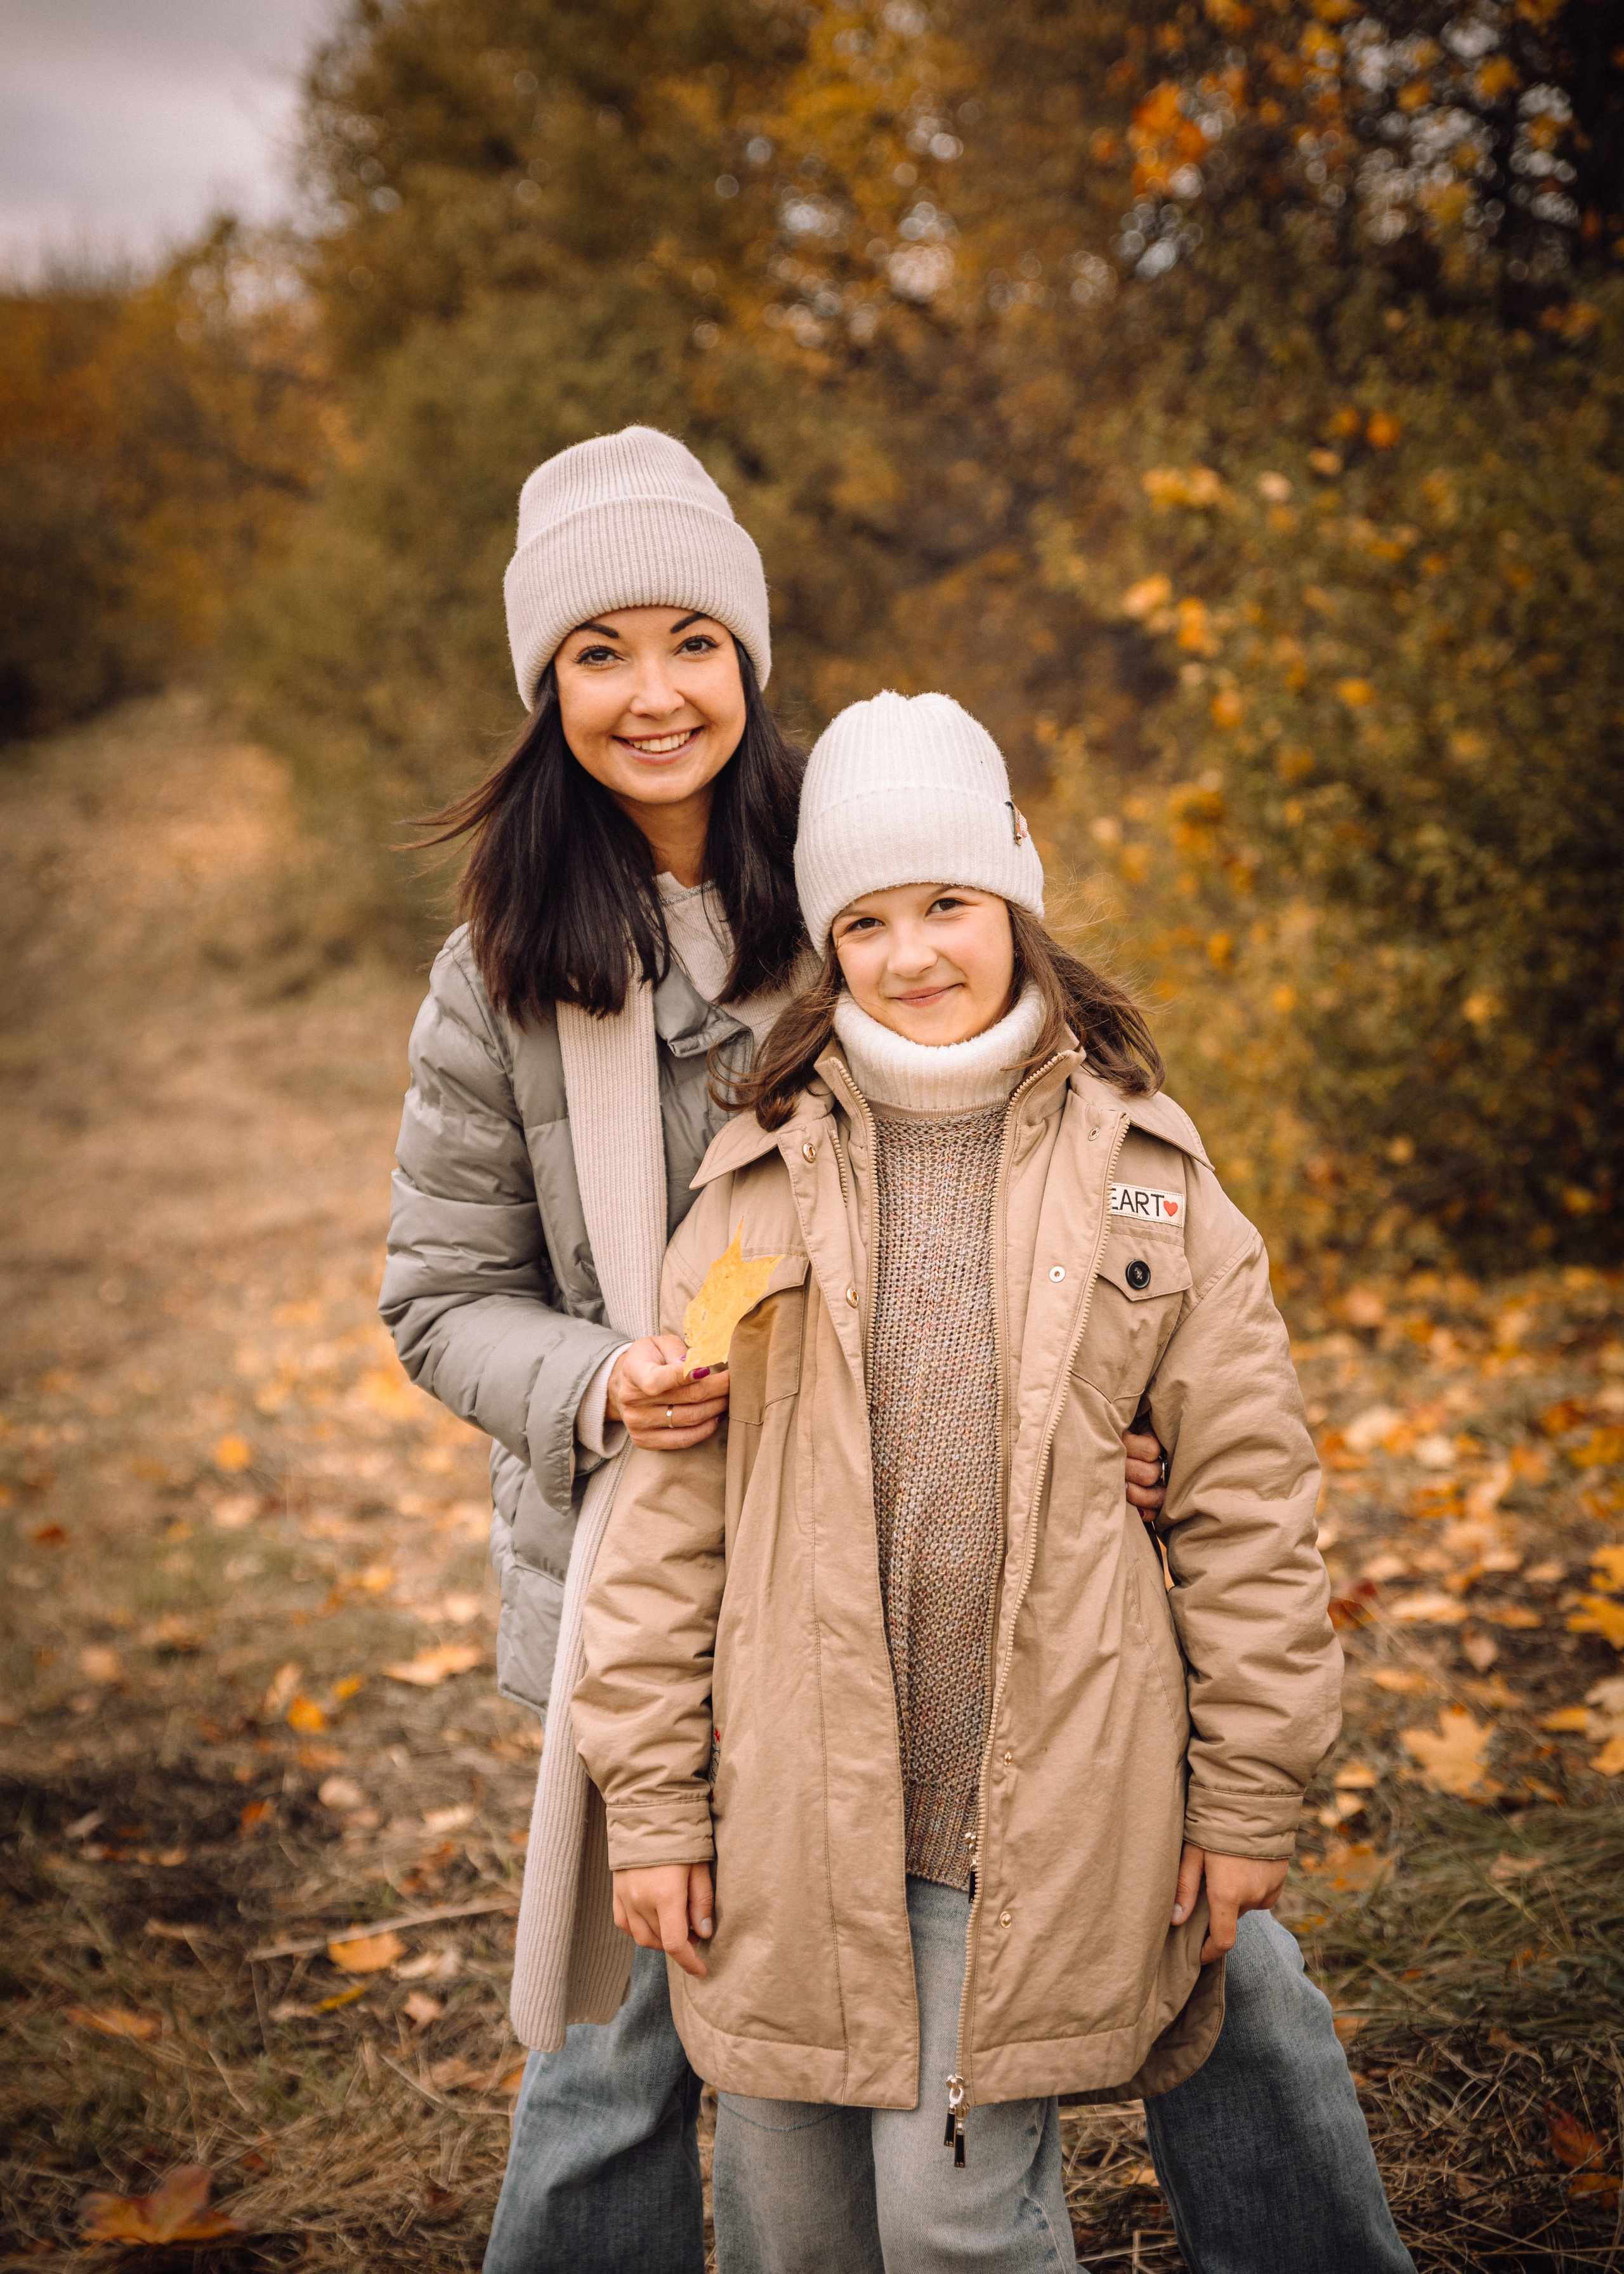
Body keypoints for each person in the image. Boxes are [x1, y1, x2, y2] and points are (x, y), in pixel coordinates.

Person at [380, 430, 1169, 2274]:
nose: (654, 694)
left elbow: (1059, 1135)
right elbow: (439, 1298)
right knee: (622, 2042)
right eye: (598, 652)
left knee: (1226, 1967)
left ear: (749, 655)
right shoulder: (498, 961)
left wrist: (1091, 1413)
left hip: (952, 1554)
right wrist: (601, 1381)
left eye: (692, 641)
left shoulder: (863, 859)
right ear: (542, 683)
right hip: (649, 1572)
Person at [575, 691, 1417, 2273]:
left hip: (1012, 1823)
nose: (913, 954)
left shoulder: (1146, 1178)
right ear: (827, 946)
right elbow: (664, 1531)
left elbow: (1244, 1504)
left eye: (949, 903)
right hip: (786, 1822)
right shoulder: (753, 1186)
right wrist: (656, 1804)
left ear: (1017, 896)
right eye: (868, 921)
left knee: (954, 2219)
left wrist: (1245, 1790)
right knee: (791, 2225)